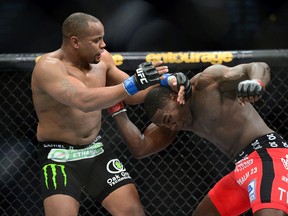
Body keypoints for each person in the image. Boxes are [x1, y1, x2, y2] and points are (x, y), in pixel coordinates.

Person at [30, 11, 183, 216]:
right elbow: (83, 100)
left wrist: (166, 82)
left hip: (96, 150)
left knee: (133, 211)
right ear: (75, 41)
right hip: (59, 156)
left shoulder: (102, 60)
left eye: (102, 38)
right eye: (96, 40)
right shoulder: (48, 67)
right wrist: (133, 83)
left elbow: (131, 94)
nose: (103, 45)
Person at [108, 62, 288, 216]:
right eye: (165, 125)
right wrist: (117, 110)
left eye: (168, 119)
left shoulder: (207, 84)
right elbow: (140, 148)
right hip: (243, 167)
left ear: (174, 97)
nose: (171, 126)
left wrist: (256, 83)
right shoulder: (175, 123)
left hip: (268, 155)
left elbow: (258, 66)